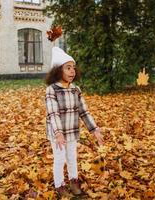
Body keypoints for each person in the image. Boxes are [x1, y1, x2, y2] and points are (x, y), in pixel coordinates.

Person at [45, 47, 103, 198]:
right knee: (59, 159)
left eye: (74, 68)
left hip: (72, 131)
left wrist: (94, 129)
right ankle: (59, 186)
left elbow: (84, 111)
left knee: (72, 157)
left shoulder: (75, 90)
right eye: (68, 68)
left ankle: (73, 182)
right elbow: (53, 113)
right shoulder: (52, 90)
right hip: (58, 134)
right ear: (58, 70)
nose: (72, 71)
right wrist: (58, 133)